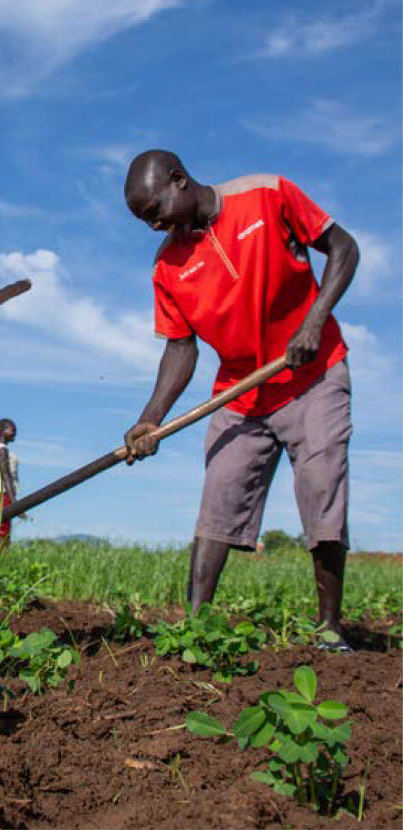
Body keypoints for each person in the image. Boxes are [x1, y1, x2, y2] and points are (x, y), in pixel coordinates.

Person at [123, 150, 358, 650]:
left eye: (153, 210)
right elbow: (180, 347)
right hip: (240, 392)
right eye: (144, 219)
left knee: (321, 487)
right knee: (220, 497)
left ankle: (330, 627)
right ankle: (194, 627)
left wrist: (314, 321)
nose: (152, 225)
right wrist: (150, 419)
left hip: (312, 375)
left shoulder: (267, 195)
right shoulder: (168, 265)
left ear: (179, 180)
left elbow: (344, 248)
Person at [0, 418, 20, 548]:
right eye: (12, 429)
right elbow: (5, 475)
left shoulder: (1, 449)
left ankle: (0, 561)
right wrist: (14, 502)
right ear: (2, 431)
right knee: (1, 531)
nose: (15, 432)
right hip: (2, 493)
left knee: (3, 530)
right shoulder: (2, 450)